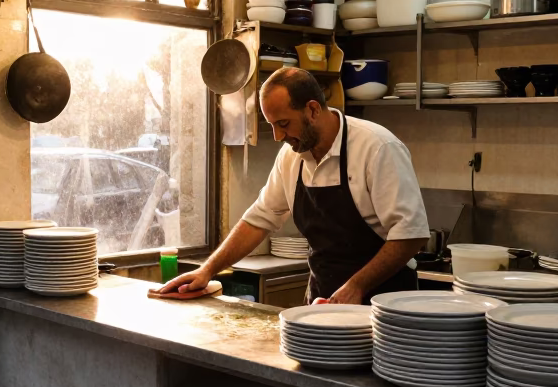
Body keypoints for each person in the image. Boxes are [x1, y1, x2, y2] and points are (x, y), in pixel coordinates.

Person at [162, 67, 429, 304]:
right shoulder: (291, 157)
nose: (278, 136)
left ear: (312, 109)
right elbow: (259, 220)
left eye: (284, 124)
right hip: (324, 301)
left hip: (386, 304)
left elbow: (411, 236)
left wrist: (356, 286)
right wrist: (207, 270)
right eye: (272, 125)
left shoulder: (377, 147)